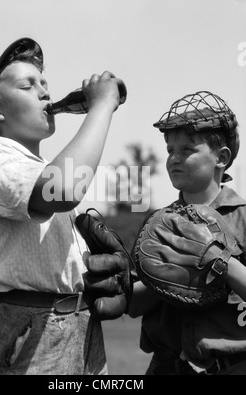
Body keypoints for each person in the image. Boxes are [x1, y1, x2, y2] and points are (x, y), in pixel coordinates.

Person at [0, 37, 125, 375]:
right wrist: (101, 106)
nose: (44, 93)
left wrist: (117, 282)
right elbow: (62, 189)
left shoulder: (45, 167)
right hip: (27, 328)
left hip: (81, 327)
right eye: (28, 85)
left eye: (44, 84)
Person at [128, 91, 246, 375]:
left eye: (188, 150)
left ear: (221, 157)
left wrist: (219, 263)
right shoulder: (159, 223)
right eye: (170, 150)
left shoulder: (242, 218)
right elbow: (132, 305)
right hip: (166, 367)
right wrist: (167, 274)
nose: (174, 159)